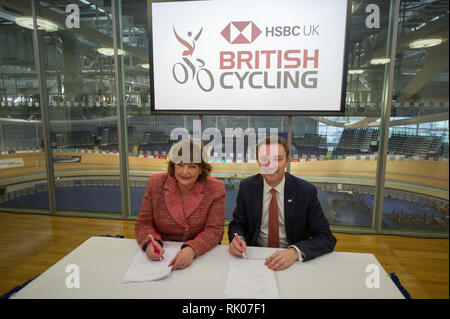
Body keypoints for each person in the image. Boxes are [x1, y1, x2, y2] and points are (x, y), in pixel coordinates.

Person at [228, 136, 337, 270]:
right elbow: (237, 225)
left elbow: (326, 237)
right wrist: (238, 239)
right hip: (254, 258)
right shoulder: (247, 187)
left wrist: (294, 252)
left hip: (293, 262)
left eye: (278, 159)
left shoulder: (305, 191)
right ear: (258, 161)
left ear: (287, 161)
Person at [135, 139, 225, 271]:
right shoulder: (156, 183)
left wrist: (193, 249)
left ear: (201, 169)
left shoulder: (215, 188)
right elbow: (143, 224)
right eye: (180, 165)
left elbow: (215, 230)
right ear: (173, 166)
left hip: (200, 256)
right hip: (163, 254)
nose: (185, 172)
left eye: (192, 166)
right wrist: (150, 243)